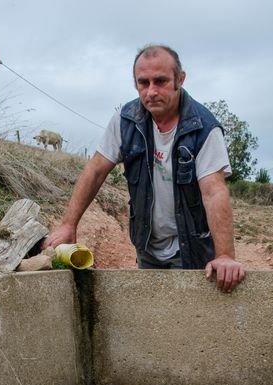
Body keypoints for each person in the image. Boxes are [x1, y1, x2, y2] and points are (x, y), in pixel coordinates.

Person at [43, 44, 245, 292]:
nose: (151, 91)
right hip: (147, 246)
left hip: (191, 249)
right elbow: (95, 170)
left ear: (180, 79)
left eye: (160, 81)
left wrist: (225, 256)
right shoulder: (125, 120)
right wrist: (68, 225)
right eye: (143, 83)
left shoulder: (203, 128)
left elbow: (214, 191)